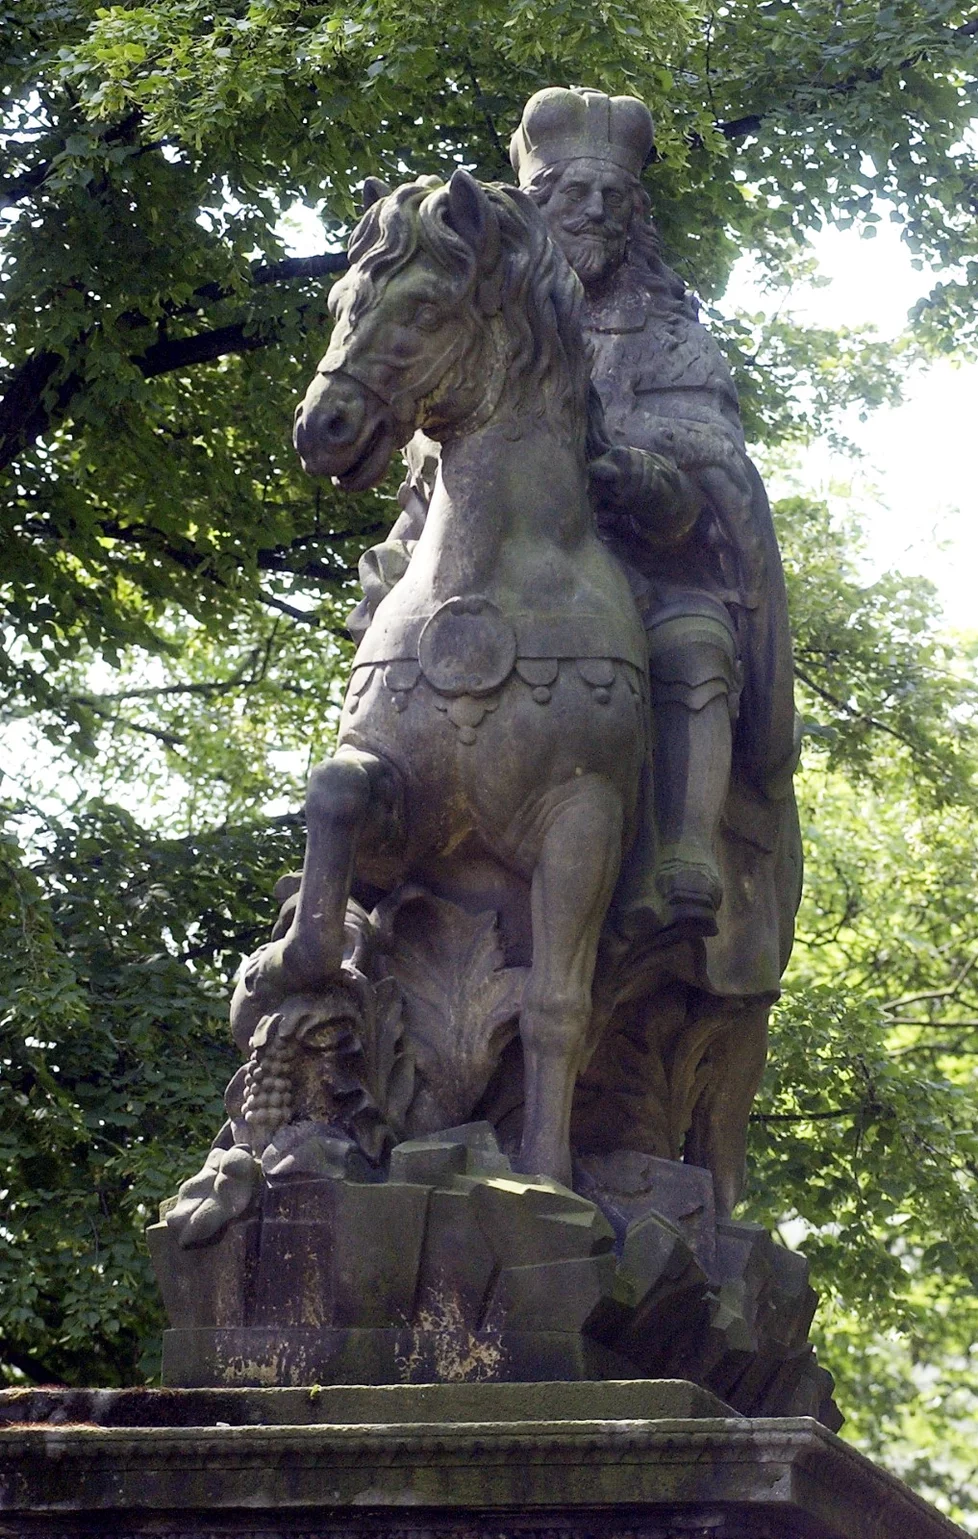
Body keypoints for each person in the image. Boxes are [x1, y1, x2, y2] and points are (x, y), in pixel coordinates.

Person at [350, 88, 803, 1211]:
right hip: (484, 581)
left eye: (612, 197)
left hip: (638, 568)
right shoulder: (482, 319)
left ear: (633, 215)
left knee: (693, 639)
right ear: (535, 205)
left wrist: (643, 477)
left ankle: (683, 851)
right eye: (570, 194)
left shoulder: (667, 333)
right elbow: (427, 479)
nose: (593, 211)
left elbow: (711, 467)